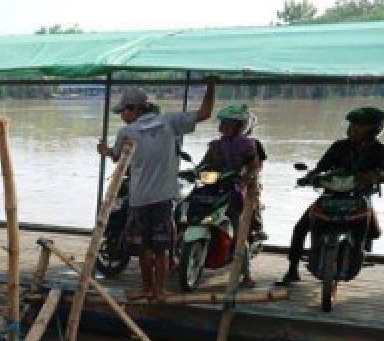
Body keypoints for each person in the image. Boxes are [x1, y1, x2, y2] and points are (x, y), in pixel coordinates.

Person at [97, 79, 217, 301]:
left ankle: (147, 288)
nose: (122, 116)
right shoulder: (169, 122)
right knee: (161, 248)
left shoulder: (127, 132)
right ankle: (159, 290)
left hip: (139, 199)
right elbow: (205, 113)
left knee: (143, 248)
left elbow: (116, 157)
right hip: (163, 198)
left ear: (134, 109)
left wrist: (103, 150)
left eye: (123, 111)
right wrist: (211, 87)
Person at [278, 106, 384, 285]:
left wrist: (376, 176)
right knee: (300, 227)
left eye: (358, 126)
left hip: (359, 196)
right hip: (331, 195)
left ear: (373, 130)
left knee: (374, 232)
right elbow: (321, 166)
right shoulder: (339, 146)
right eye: (352, 125)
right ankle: (292, 269)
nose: (352, 129)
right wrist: (309, 176)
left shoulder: (381, 151)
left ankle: (358, 254)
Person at [199, 104, 266, 287]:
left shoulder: (249, 145)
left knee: (239, 231)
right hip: (217, 186)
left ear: (240, 126)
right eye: (223, 123)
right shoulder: (216, 145)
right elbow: (205, 164)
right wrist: (196, 171)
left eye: (229, 124)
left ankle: (246, 273)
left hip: (238, 190)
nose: (224, 127)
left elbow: (255, 167)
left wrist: (245, 178)